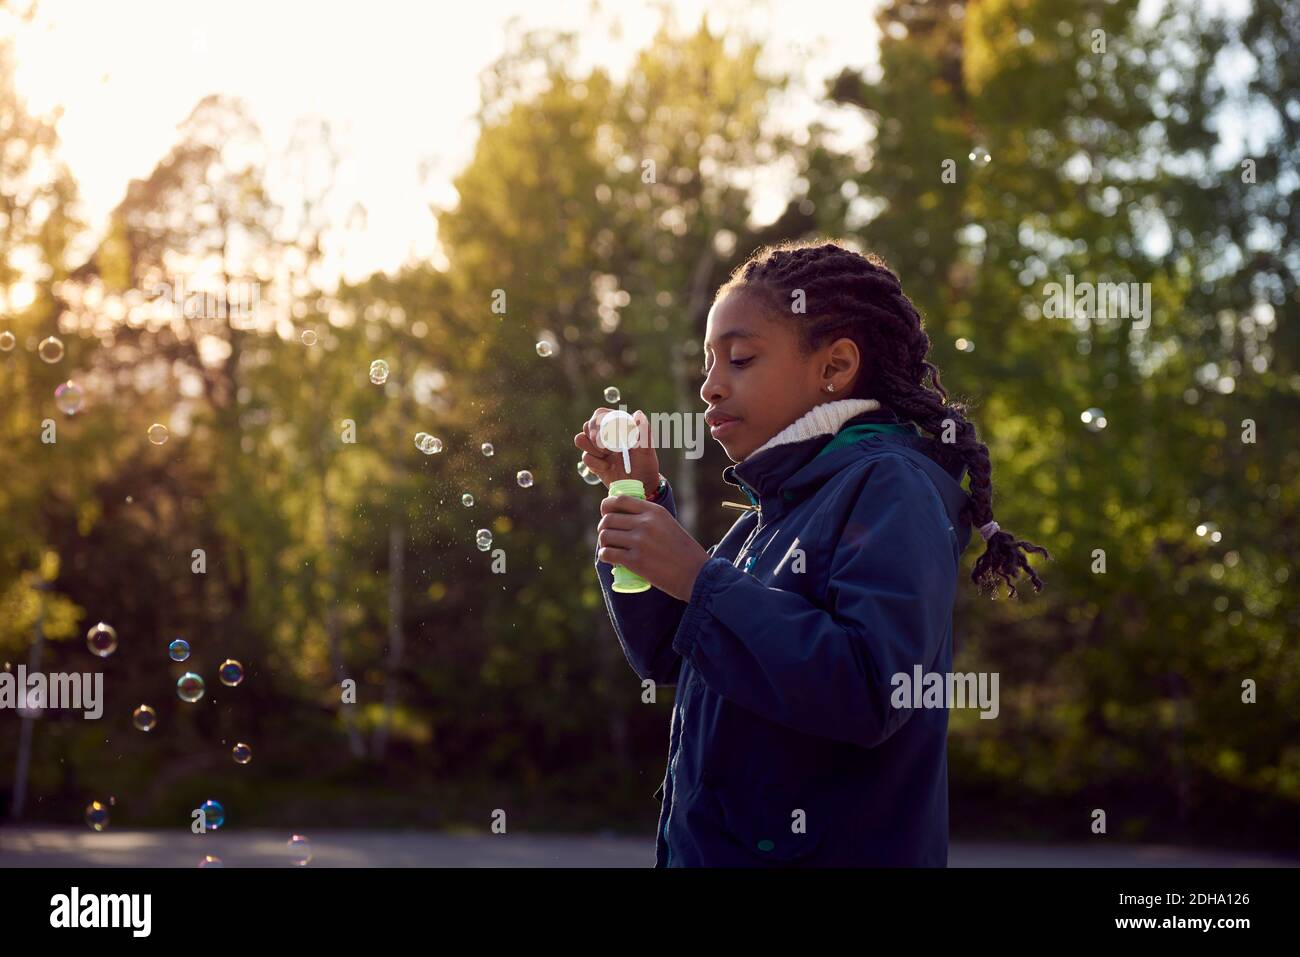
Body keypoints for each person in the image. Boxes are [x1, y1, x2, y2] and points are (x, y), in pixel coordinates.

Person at [574, 240, 1050, 867]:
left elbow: (873, 690)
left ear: (836, 366)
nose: (710, 387)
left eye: (740, 358)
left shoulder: (890, 488)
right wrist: (643, 504)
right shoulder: (767, 517)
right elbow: (670, 651)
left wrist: (697, 576)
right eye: (707, 363)